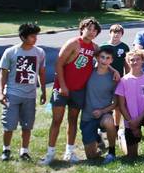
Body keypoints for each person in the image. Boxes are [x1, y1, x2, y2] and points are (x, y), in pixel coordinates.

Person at [42, 17, 101, 165]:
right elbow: (58, 64)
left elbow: (103, 61)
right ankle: (50, 153)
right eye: (89, 28)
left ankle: (69, 152)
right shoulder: (73, 43)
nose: (92, 32)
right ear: (82, 28)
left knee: (73, 120)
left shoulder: (94, 48)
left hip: (79, 90)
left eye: (95, 30)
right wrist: (62, 86)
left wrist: (113, 71)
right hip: (61, 89)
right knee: (56, 120)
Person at [0, 23, 46, 162]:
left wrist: (43, 91)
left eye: (36, 35)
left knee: (27, 126)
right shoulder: (11, 52)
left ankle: (24, 151)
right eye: (32, 36)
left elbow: (41, 73)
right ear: (23, 37)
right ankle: (6, 150)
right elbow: (3, 74)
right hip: (12, 94)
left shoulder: (40, 52)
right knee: (9, 125)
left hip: (30, 96)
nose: (35, 38)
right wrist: (1, 93)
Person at [115, 51, 144, 161]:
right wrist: (131, 123)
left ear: (143, 60)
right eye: (132, 60)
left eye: (137, 59)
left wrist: (139, 119)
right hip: (130, 118)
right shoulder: (123, 81)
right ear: (128, 62)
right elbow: (121, 105)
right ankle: (122, 137)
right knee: (132, 157)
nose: (135, 62)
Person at [79, 48, 118, 162]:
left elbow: (115, 103)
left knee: (109, 122)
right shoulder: (88, 72)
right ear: (97, 57)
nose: (104, 60)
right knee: (91, 156)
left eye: (108, 58)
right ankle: (98, 139)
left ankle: (111, 152)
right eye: (102, 57)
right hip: (87, 115)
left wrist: (102, 111)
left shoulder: (114, 78)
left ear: (111, 60)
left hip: (103, 114)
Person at [100, 24, 130, 138]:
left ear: (122, 34)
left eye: (119, 32)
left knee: (117, 104)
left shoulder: (124, 47)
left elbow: (126, 65)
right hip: (105, 78)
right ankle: (104, 126)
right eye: (114, 32)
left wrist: (127, 78)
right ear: (110, 33)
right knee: (105, 102)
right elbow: (99, 63)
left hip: (119, 80)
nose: (116, 34)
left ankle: (116, 127)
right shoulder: (104, 46)